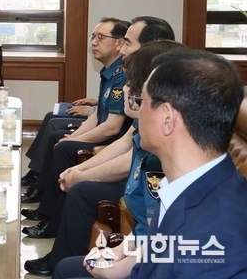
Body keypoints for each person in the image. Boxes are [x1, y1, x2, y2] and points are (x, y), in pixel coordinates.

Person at [55, 50, 247, 278]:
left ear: (167, 118)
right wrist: (115, 261)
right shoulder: (187, 183)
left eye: (141, 101)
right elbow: (158, 247)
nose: (135, 111)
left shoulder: (217, 234)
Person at [25, 40, 187, 277]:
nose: (126, 89)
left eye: (132, 85)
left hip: (147, 264)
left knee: (80, 192)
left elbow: (160, 242)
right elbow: (147, 233)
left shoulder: (166, 160)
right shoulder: (151, 133)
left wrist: (115, 267)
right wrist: (117, 252)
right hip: (137, 248)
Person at [21, 18, 132, 205]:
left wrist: (72, 140)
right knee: (59, 137)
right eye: (93, 37)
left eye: (101, 37)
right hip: (104, 132)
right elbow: (98, 115)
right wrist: (72, 137)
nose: (94, 42)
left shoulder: (121, 75)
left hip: (113, 140)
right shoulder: (109, 72)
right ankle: (42, 190)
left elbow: (111, 128)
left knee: (62, 144)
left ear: (119, 43)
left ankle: (47, 204)